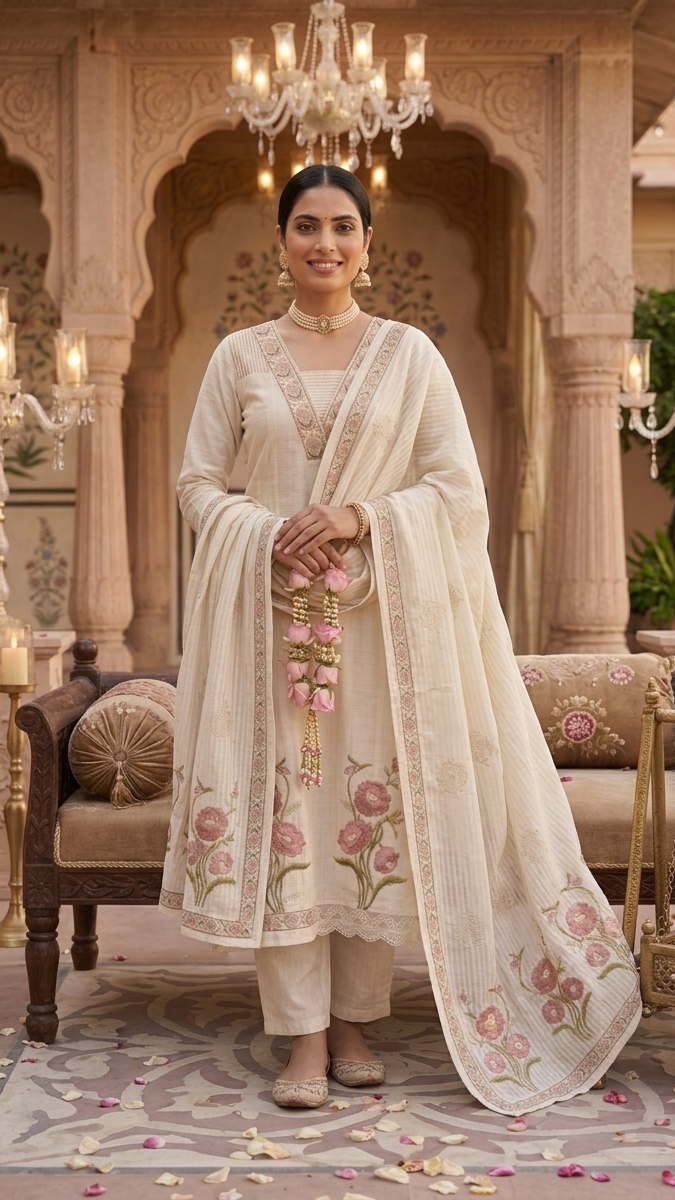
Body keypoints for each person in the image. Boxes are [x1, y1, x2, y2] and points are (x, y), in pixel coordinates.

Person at [161, 165, 641, 1116]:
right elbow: (197, 484)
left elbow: (455, 489)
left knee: (362, 818)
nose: (325, 243)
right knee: (291, 821)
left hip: (379, 628)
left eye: (343, 226)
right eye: (306, 226)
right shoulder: (239, 358)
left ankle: (353, 1024)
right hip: (268, 626)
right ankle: (301, 1036)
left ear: (367, 244)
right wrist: (265, 534)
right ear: (281, 241)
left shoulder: (409, 354)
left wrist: (358, 518)